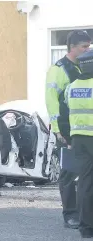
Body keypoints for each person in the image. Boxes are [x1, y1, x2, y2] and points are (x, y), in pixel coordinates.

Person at [45, 30, 91, 229]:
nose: (87, 50)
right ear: (72, 47)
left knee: (84, 173)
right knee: (69, 172)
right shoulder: (58, 70)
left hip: (80, 130)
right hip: (64, 128)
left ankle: (83, 215)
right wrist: (57, 129)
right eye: (84, 47)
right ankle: (70, 214)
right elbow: (51, 101)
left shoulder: (83, 67)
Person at [64, 49, 93, 238]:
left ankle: (86, 227)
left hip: (78, 139)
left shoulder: (71, 87)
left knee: (84, 183)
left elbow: (67, 108)